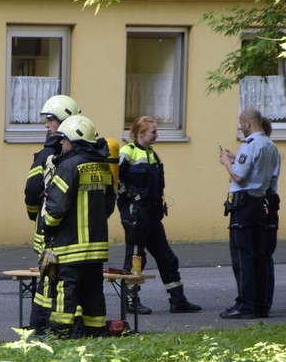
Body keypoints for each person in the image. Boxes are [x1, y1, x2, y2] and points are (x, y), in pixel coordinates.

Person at [40, 114, 116, 337]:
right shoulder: (103, 166)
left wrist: (47, 227)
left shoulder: (69, 166)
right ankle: (96, 332)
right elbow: (109, 205)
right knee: (93, 290)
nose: (61, 143)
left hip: (70, 246)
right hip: (97, 246)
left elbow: (56, 208)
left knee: (66, 289)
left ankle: (60, 333)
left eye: (64, 139)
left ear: (75, 140)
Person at [117, 116, 201, 314]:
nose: (157, 134)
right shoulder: (127, 152)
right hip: (135, 213)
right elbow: (114, 179)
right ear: (140, 133)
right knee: (136, 257)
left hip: (151, 213)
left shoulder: (153, 155)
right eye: (153, 131)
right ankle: (130, 300)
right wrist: (130, 197)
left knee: (167, 257)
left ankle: (178, 300)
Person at [24, 94, 81, 333]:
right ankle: (62, 325)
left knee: (51, 281)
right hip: (71, 232)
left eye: (50, 119)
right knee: (66, 282)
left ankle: (43, 325)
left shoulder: (49, 154)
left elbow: (32, 191)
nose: (46, 125)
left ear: (65, 120)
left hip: (52, 230)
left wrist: (36, 215)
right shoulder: (81, 153)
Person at [218, 108, 280, 319]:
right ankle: (261, 304)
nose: (241, 128)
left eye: (241, 124)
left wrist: (227, 162)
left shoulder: (250, 145)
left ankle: (245, 305)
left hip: (244, 207)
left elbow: (239, 177)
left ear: (247, 123)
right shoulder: (271, 146)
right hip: (261, 204)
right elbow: (262, 174)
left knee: (243, 257)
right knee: (260, 256)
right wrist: (237, 160)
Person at [263, 119, 281, 315]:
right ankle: (264, 301)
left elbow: (259, 178)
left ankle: (264, 302)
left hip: (266, 202)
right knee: (264, 254)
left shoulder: (267, 149)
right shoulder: (269, 148)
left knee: (263, 254)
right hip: (269, 201)